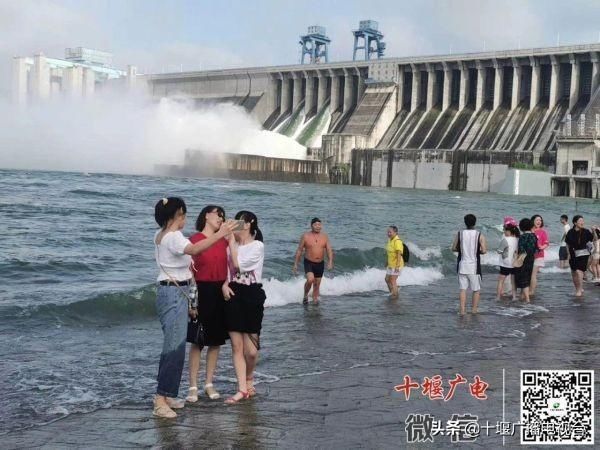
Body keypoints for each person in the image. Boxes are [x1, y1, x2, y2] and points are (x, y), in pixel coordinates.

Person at [152, 197, 233, 419]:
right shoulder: (174, 237)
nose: (185, 219)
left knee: (173, 345)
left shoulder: (160, 235)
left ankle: (166, 395)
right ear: (176, 216)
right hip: (173, 293)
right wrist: (220, 234)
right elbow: (196, 249)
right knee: (174, 348)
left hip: (170, 291)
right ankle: (160, 400)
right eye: (183, 215)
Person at [186, 205, 230, 403]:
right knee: (198, 341)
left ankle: (209, 383)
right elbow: (190, 275)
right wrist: (192, 302)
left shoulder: (224, 241)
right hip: (202, 290)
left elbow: (232, 267)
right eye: (217, 214)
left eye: (223, 215)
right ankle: (193, 386)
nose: (221, 218)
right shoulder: (194, 241)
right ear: (206, 216)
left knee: (216, 341)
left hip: (220, 290)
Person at [222, 211, 266, 404]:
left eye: (239, 222)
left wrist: (231, 241)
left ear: (249, 224)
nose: (235, 226)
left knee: (252, 351)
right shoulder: (230, 246)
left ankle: (249, 377)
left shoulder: (258, 246)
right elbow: (228, 271)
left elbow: (238, 266)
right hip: (233, 293)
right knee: (236, 346)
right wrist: (224, 284)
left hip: (252, 294)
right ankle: (241, 389)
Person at [451, 214, 487, 315]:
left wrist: (462, 250)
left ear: (465, 222)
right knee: (476, 290)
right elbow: (484, 251)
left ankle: (462, 311)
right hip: (474, 267)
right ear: (475, 222)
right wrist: (476, 251)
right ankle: (474, 310)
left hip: (462, 265)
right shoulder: (479, 235)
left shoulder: (460, 234)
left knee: (463, 289)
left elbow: (453, 248)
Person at [293, 218, 334, 304]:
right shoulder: (305, 236)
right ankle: (305, 295)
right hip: (309, 262)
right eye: (315, 225)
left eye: (319, 225)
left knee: (317, 285)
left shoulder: (325, 236)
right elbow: (300, 250)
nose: (318, 226)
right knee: (310, 280)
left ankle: (315, 303)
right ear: (311, 226)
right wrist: (296, 264)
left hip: (320, 263)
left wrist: (330, 261)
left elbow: (329, 249)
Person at [564, 215, 594, 297]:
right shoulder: (570, 232)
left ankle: (579, 289)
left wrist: (594, 231)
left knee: (579, 271)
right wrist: (568, 254)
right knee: (574, 272)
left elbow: (593, 239)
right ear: (575, 222)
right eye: (580, 221)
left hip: (584, 254)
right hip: (573, 254)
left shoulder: (586, 231)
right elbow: (567, 244)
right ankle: (577, 288)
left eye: (583, 221)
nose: (582, 222)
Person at [514, 218, 538, 303]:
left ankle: (527, 299)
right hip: (531, 258)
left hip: (523, 258)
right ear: (531, 226)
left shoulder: (522, 237)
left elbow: (521, 249)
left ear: (521, 227)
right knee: (528, 277)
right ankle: (522, 296)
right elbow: (536, 249)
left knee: (522, 277)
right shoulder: (534, 236)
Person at [496, 218, 519, 301]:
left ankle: (498, 297)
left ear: (508, 231)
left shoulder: (505, 240)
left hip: (505, 264)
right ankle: (514, 297)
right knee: (513, 281)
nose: (504, 232)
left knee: (501, 281)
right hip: (513, 263)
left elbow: (499, 251)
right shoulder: (516, 239)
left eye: (504, 230)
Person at [529, 215, 549, 297]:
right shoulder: (529, 231)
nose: (539, 222)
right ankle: (528, 289)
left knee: (533, 274)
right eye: (537, 220)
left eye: (540, 220)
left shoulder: (542, 232)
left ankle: (531, 292)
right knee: (528, 274)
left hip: (539, 255)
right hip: (529, 256)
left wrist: (542, 247)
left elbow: (546, 243)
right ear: (532, 221)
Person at [385, 226, 404, 298]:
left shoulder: (397, 241)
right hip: (390, 264)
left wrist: (397, 265)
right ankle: (393, 292)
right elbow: (389, 252)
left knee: (392, 280)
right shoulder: (390, 240)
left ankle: (395, 296)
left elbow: (399, 254)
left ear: (395, 233)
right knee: (387, 279)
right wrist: (387, 261)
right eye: (388, 232)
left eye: (390, 232)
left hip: (397, 265)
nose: (388, 233)